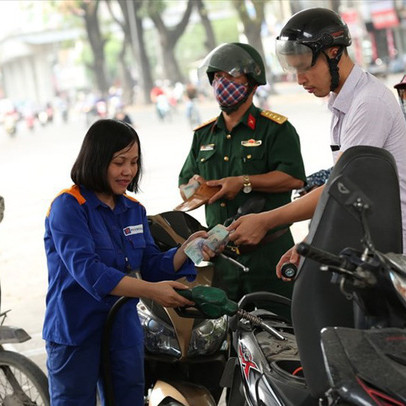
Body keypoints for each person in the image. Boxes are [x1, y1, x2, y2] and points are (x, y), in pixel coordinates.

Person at [43, 119, 217, 406]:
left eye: (134, 162)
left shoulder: (133, 209)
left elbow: (148, 264)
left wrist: (184, 250)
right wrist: (152, 291)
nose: (128, 171)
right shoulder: (68, 206)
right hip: (75, 329)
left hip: (123, 329)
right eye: (119, 162)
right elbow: (89, 271)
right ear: (96, 160)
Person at [227, 8, 406, 274]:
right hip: (369, 244)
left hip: (394, 250)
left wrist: (267, 220)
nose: (300, 80)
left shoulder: (369, 103)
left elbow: (341, 188)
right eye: (294, 70)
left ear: (334, 53)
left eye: (305, 67)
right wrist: (310, 243)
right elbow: (343, 187)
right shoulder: (341, 103)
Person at [178, 42, 306, 302]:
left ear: (252, 82)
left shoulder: (276, 129)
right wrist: (196, 188)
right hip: (220, 258)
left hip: (269, 255)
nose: (221, 83)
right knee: (225, 335)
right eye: (216, 77)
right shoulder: (203, 135)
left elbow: (294, 177)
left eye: (230, 76)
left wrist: (244, 182)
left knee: (281, 334)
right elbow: (184, 184)